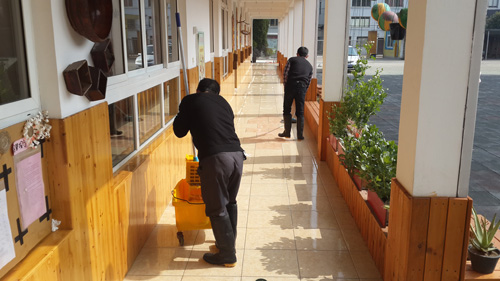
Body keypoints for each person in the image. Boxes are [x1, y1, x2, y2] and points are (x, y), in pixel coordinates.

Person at [173, 78, 245, 267]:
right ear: (216, 93)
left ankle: (227, 255)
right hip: (237, 156)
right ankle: (226, 246)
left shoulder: (191, 100)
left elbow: (179, 131)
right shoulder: (224, 104)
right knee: (230, 201)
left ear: (199, 90)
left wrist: (182, 111)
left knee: (216, 207)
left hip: (216, 159)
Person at [278, 46, 313, 140]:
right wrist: (303, 90)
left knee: (286, 109)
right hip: (301, 88)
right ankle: (300, 135)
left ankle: (287, 133)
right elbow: (309, 81)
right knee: (300, 112)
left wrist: (286, 86)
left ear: (297, 54)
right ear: (307, 56)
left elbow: (286, 73)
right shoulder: (309, 66)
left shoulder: (292, 60)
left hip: (291, 85)